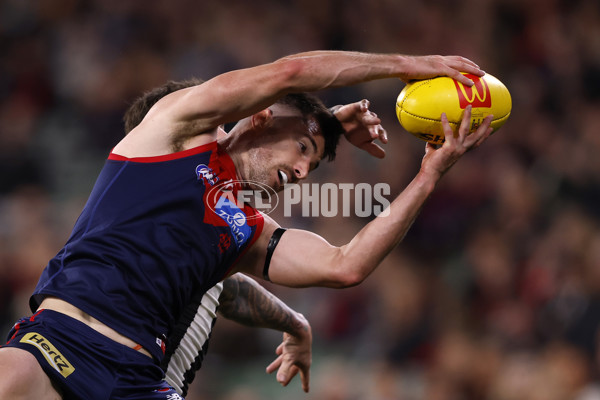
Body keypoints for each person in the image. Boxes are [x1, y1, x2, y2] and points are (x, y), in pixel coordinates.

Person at [0, 50, 493, 400]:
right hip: (55, 343)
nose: (302, 173)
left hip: (134, 378)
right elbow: (291, 73)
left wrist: (429, 175)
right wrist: (407, 66)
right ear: (257, 118)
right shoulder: (174, 132)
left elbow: (347, 265)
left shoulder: (244, 230)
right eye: (302, 153)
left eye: (312, 168)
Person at [126, 78, 387, 397]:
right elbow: (344, 266)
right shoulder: (174, 195)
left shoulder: (193, 218)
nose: (223, 140)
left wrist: (293, 322)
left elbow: (224, 287)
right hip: (133, 381)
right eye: (212, 131)